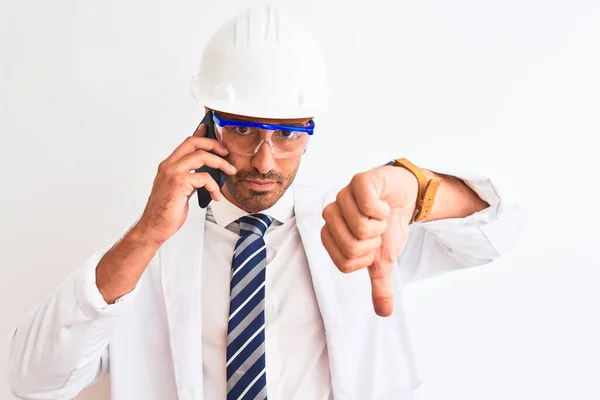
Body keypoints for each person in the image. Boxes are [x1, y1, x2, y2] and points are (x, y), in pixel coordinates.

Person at [7, 5, 523, 400]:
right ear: (207, 122)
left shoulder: (358, 226)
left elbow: (502, 227)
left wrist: (416, 185)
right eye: (243, 129)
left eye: (288, 134)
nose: (265, 161)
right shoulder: (148, 255)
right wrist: (146, 235)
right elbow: (32, 378)